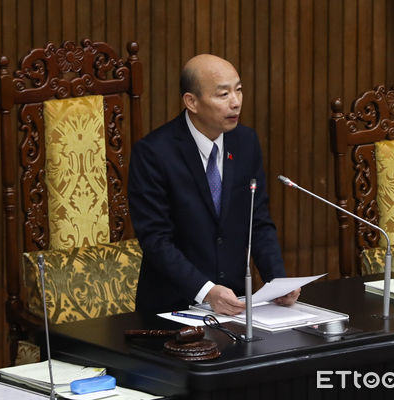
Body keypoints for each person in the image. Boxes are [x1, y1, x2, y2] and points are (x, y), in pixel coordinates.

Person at [128, 54, 300, 315]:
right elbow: (156, 240)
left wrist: (277, 280)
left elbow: (258, 221)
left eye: (239, 90)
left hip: (234, 303)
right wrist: (205, 290)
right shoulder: (154, 153)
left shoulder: (245, 142)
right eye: (223, 94)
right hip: (172, 307)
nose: (236, 102)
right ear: (192, 102)